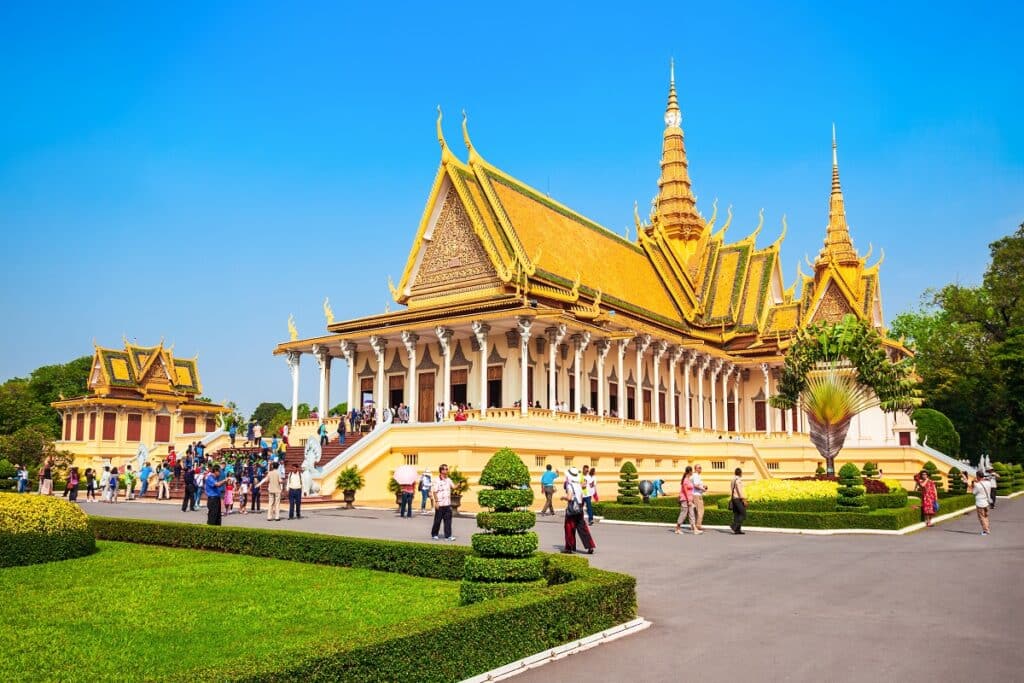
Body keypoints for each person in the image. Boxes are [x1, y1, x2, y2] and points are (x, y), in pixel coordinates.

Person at [561, 466, 595, 554]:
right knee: (582, 528)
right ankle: (590, 546)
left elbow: (569, 497)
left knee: (569, 527)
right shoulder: (579, 485)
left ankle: (569, 547)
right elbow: (581, 496)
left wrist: (563, 497)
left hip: (572, 508)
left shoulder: (569, 485)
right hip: (579, 507)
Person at [430, 464, 455, 540]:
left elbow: (453, 487)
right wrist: (436, 502)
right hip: (440, 504)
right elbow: (434, 492)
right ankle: (434, 534)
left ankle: (448, 536)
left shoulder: (448, 480)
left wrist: (459, 485)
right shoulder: (436, 480)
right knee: (437, 520)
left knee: (448, 521)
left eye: (447, 469)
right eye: (444, 469)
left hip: (447, 504)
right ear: (441, 471)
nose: (446, 471)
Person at [675, 466, 698, 535]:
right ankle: (677, 528)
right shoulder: (685, 480)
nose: (692, 472)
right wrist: (689, 500)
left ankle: (695, 529)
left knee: (692, 514)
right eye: (692, 471)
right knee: (683, 514)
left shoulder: (689, 479)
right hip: (685, 499)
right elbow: (685, 491)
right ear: (690, 472)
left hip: (689, 499)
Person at [972, 470, 993, 535]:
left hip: (980, 503)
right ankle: (987, 528)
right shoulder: (988, 483)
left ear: (977, 476)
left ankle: (986, 531)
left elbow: (973, 492)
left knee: (981, 517)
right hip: (987, 502)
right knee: (986, 516)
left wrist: (974, 483)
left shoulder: (977, 485)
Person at [691, 464, 708, 532]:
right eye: (699, 468)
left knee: (695, 511)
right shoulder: (696, 476)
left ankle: (694, 525)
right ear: (696, 469)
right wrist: (703, 489)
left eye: (701, 468)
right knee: (700, 510)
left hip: (695, 494)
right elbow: (695, 485)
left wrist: (703, 486)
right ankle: (698, 525)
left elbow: (697, 484)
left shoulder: (696, 476)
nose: (701, 469)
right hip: (697, 495)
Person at [730, 467, 747, 534]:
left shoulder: (733, 480)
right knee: (743, 514)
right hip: (738, 499)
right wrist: (743, 499)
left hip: (734, 498)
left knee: (737, 514)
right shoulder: (738, 480)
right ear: (740, 473)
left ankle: (737, 530)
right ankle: (734, 526)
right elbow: (739, 490)